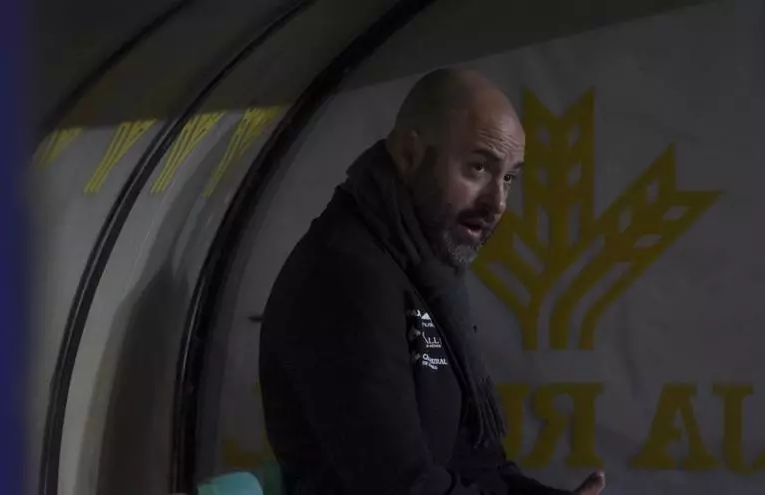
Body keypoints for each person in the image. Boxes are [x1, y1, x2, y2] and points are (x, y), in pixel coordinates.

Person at [259, 67, 606, 495]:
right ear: (409, 154)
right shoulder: (345, 276)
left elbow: (474, 460)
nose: (497, 202)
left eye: (509, 177)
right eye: (478, 167)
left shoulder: (423, 269)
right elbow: (401, 486)